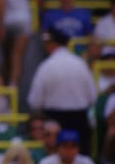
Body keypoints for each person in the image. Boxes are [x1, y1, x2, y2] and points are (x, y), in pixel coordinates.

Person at [28, 26, 97, 155]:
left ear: (51, 44)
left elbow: (34, 101)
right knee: (80, 160)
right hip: (79, 119)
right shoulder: (80, 64)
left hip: (54, 119)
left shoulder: (46, 66)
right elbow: (92, 97)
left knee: (55, 161)